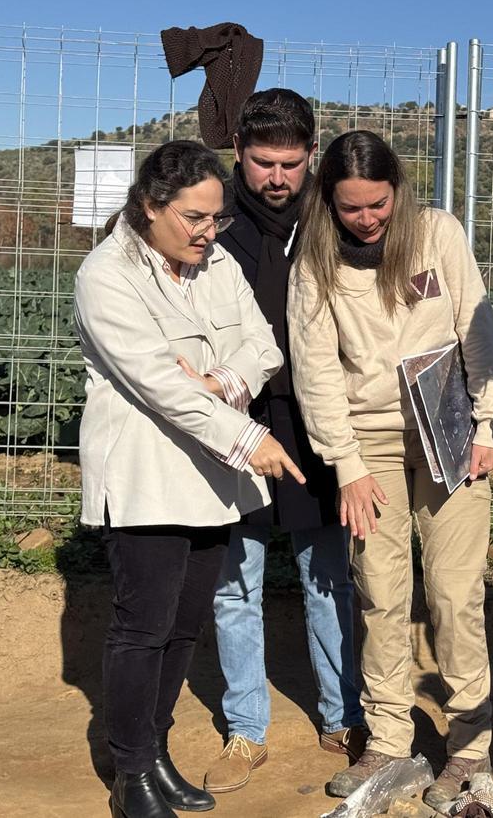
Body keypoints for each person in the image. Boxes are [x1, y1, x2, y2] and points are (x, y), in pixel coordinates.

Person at [75, 140, 304, 818]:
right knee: (142, 628)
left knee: (182, 627)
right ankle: (131, 773)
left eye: (217, 218)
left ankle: (156, 751)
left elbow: (261, 345)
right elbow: (156, 385)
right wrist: (247, 433)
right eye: (195, 218)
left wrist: (222, 381)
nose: (209, 232)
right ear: (150, 206)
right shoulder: (106, 275)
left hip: (207, 477)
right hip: (145, 474)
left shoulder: (214, 263)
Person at [287, 129, 493, 810]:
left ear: (397, 191)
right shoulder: (315, 261)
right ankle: (388, 741)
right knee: (381, 594)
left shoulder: (438, 234)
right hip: (369, 445)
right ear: (330, 201)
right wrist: (347, 465)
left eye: (377, 204)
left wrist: (486, 422)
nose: (366, 219)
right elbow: (316, 371)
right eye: (351, 207)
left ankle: (469, 751)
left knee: (451, 594)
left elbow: (478, 328)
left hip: (449, 437)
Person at [202, 89, 367, 796]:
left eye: (291, 164)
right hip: (229, 417)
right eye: (263, 161)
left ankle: (344, 716)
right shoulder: (208, 215)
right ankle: (246, 728)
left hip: (313, 417)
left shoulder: (331, 218)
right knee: (233, 578)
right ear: (238, 151)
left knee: (325, 572)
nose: (277, 176)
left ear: (311, 155)